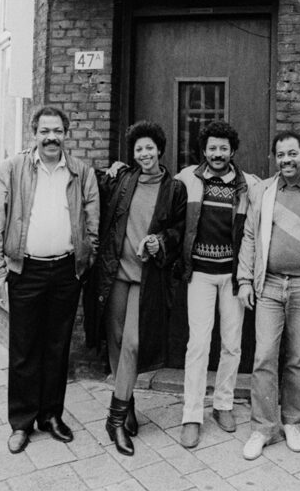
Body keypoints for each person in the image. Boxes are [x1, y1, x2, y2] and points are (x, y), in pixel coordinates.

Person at [0, 105, 99, 454]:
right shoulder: (13, 169)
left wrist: (85, 257)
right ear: (34, 134)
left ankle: (51, 415)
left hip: (66, 272)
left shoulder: (81, 172)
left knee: (57, 347)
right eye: (44, 131)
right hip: (25, 271)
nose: (51, 137)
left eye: (57, 130)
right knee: (23, 350)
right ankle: (21, 422)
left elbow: (92, 222)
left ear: (66, 133)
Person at [237, 131, 300, 461]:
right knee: (264, 355)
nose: (286, 160)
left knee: (297, 356)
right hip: (267, 286)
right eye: (280, 155)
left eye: (292, 154)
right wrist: (244, 280)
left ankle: (292, 421)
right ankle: (263, 427)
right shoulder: (262, 191)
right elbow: (250, 237)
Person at [96, 121, 187, 456]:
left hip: (146, 277)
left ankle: (115, 419)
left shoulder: (174, 187)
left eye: (150, 148)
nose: (145, 153)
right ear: (132, 154)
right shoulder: (122, 180)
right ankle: (128, 404)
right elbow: (92, 189)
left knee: (132, 342)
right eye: (139, 149)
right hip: (115, 271)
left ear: (159, 150)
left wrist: (159, 241)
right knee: (117, 342)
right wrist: (107, 173)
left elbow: (178, 231)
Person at [175, 121, 260, 448]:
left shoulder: (247, 185)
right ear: (204, 151)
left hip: (233, 277)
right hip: (199, 275)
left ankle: (223, 404)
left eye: (223, 148)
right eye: (212, 148)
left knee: (232, 343)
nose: (218, 154)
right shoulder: (187, 178)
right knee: (197, 344)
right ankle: (192, 415)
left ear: (232, 151)